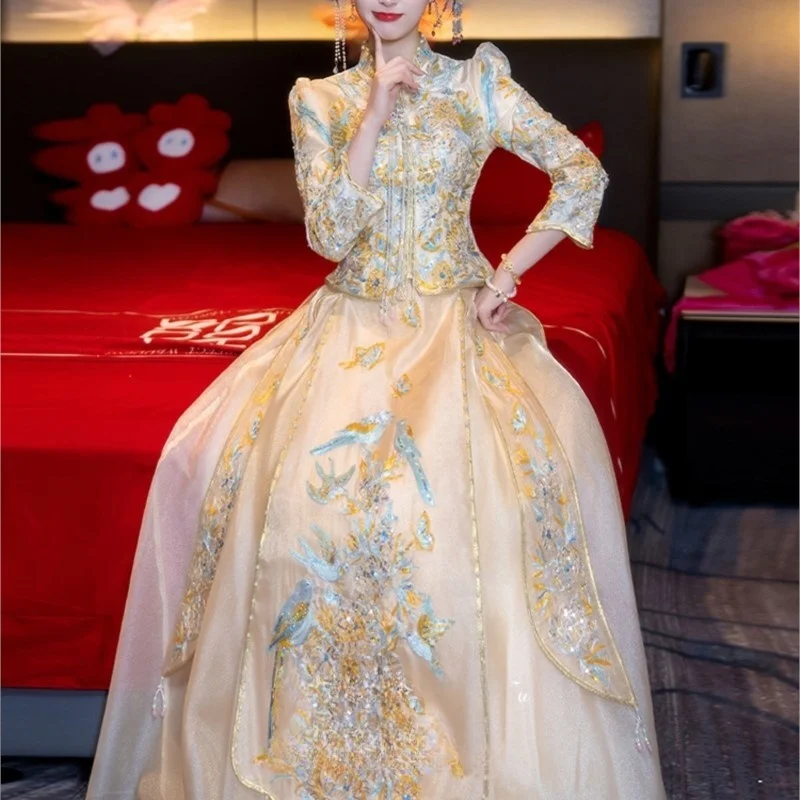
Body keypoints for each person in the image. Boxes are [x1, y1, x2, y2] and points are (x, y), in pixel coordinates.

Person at [87, 1, 668, 797]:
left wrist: (505, 276)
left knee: (462, 526)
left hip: (453, 329)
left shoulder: (479, 87)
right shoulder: (318, 99)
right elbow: (330, 234)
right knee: (292, 511)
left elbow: (581, 172)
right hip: (346, 329)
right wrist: (373, 115)